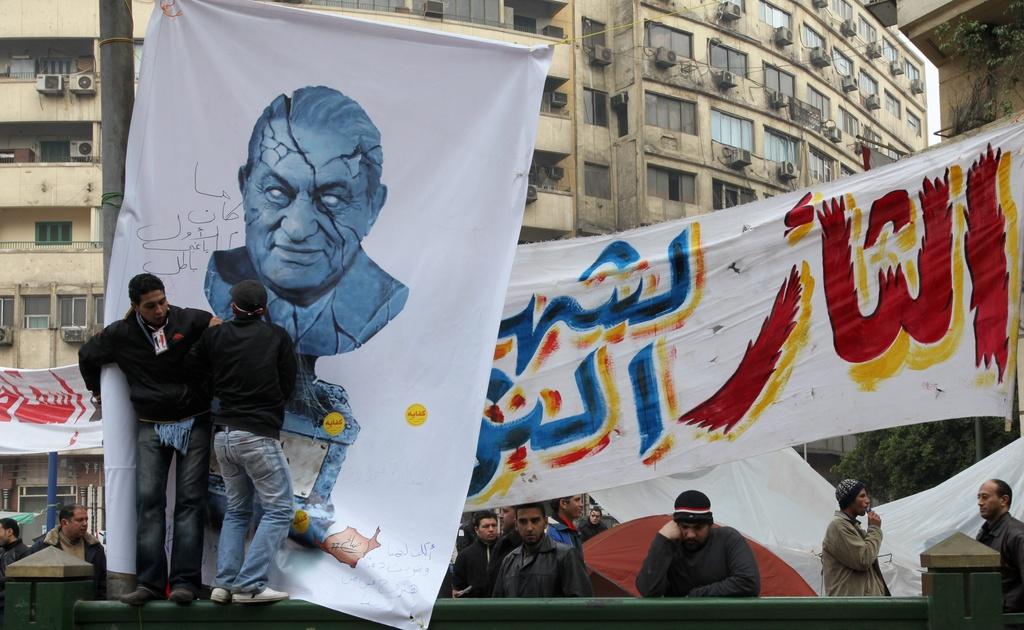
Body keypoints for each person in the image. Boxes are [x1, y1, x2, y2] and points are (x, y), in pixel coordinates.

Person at [204, 86, 409, 550]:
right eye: (276, 191)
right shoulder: (220, 281)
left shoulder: (378, 304)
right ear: (244, 185)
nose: (297, 229)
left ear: (373, 206)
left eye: (332, 200)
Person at [78, 272, 217, 605]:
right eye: (151, 305)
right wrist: (98, 392)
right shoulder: (121, 334)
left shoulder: (186, 318)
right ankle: (150, 584)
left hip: (194, 420)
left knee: (190, 503)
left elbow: (216, 325)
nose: (159, 310)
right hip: (151, 423)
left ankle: (185, 583)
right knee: (149, 504)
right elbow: (87, 355)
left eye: (162, 301)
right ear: (135, 307)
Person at [190, 280, 297, 605]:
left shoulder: (215, 335)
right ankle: (249, 584)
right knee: (280, 509)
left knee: (237, 510)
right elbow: (289, 383)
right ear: (263, 309)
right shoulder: (276, 336)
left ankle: (223, 584)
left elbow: (195, 370)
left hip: (223, 436)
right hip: (258, 435)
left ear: (233, 307)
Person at [636, 490, 759, 597]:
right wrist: (662, 540)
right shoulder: (669, 545)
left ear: (710, 525)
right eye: (684, 527)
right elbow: (647, 590)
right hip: (680, 621)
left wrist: (696, 595)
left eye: (698, 527)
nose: (691, 534)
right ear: (676, 525)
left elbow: (748, 582)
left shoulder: (728, 539)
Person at [491, 502, 592, 598]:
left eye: (535, 521)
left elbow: (583, 603)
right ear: (516, 525)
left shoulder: (566, 556)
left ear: (545, 522)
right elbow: (498, 605)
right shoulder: (509, 560)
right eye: (523, 522)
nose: (529, 528)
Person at [821, 479, 890, 596]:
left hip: (863, 608)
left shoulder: (853, 527)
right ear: (849, 501)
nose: (868, 501)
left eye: (866, 495)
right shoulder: (838, 526)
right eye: (862, 496)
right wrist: (874, 529)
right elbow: (864, 560)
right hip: (852, 609)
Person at [28, 505, 107, 599]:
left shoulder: (95, 547)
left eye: (86, 519)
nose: (85, 523)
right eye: (79, 520)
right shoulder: (42, 547)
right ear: (64, 522)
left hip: (86, 606)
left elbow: (103, 582)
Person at [976, 478, 1024, 613]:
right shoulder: (984, 533)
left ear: (1004, 500)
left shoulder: (1017, 535)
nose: (980, 503)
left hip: (1011, 619)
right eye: (979, 497)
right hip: (990, 615)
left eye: (985, 497)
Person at [452, 511, 499, 598]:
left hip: (502, 606)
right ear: (477, 530)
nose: (491, 529)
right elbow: (458, 588)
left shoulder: (506, 551)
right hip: (474, 607)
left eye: (494, 525)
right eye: (486, 526)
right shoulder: (465, 556)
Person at [0, 518, 31, 624]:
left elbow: (21, 579)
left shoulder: (24, 552)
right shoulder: (3, 551)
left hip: (10, 607)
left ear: (9, 532)